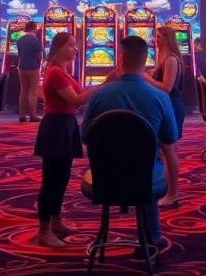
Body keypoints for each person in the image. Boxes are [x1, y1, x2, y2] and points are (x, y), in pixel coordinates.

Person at [81, 36, 178, 257]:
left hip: (103, 174)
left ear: (121, 59)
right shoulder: (160, 97)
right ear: (147, 61)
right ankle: (152, 236)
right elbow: (170, 137)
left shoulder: (99, 95)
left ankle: (107, 235)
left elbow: (85, 136)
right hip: (146, 176)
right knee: (148, 165)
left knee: (140, 165)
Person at [34, 31, 98, 247]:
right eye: (71, 45)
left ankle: (56, 222)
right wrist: (106, 83)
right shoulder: (55, 73)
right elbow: (77, 99)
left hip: (66, 125)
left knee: (61, 178)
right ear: (59, 47)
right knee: (51, 181)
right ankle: (43, 231)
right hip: (56, 127)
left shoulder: (62, 70)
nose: (76, 49)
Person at [144, 26, 185, 208]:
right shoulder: (164, 58)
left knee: (169, 151)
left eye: (159, 36)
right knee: (165, 151)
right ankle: (168, 190)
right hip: (165, 105)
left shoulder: (170, 59)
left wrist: (146, 79)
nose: (155, 39)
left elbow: (167, 88)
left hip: (171, 106)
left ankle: (173, 194)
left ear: (168, 39)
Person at [16, 21, 44, 122]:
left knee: (23, 91)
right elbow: (40, 55)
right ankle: (33, 115)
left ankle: (22, 115)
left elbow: (19, 54)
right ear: (34, 29)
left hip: (21, 67)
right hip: (33, 68)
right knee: (33, 92)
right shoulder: (34, 40)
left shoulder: (20, 40)